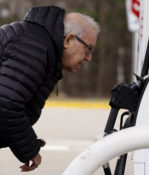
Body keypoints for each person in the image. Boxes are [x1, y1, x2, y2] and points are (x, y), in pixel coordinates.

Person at [0, 6, 99, 172]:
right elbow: (7, 104)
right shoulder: (33, 46)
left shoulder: (36, 42)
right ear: (68, 39)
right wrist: (29, 148)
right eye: (88, 49)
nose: (89, 58)